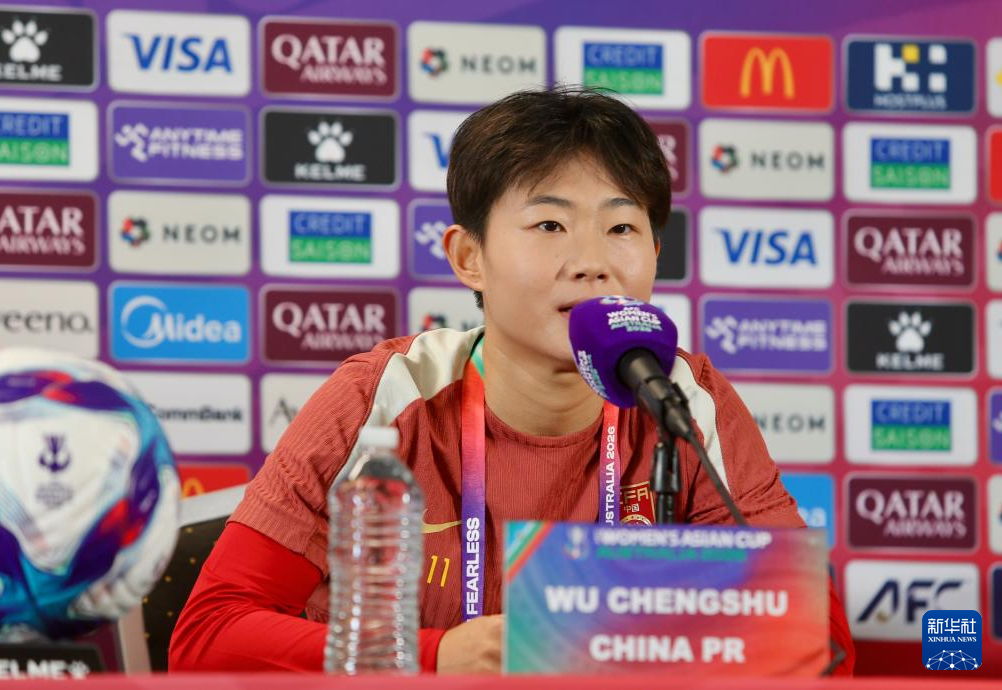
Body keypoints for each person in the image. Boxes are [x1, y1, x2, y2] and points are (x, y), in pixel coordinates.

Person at [169, 86, 855, 674]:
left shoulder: (682, 400)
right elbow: (208, 638)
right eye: (550, 223)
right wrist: (434, 657)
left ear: (654, 252)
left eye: (622, 227)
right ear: (469, 256)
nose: (592, 262)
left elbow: (816, 646)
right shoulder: (383, 395)